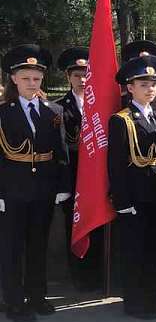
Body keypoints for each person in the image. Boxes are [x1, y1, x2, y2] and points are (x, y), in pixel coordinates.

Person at [0, 45, 71, 322]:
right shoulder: (3, 112)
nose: (32, 83)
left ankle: (37, 296)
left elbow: (61, 151)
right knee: (12, 247)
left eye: (37, 79)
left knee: (38, 244)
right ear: (14, 79)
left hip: (43, 188)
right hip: (12, 189)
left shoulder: (53, 110)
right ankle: (14, 301)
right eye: (26, 78)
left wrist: (62, 185)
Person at [108, 55, 156, 319]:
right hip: (134, 194)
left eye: (153, 84)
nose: (150, 89)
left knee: (151, 247)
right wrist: (122, 200)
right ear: (130, 88)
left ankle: (151, 295)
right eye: (143, 84)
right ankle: (134, 301)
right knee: (134, 249)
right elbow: (116, 164)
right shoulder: (121, 120)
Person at [55, 47, 103, 292]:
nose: (82, 80)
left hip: (97, 178)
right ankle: (79, 277)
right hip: (74, 178)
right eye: (76, 75)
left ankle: (98, 275)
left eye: (86, 75)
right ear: (68, 77)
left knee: (98, 225)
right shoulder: (58, 108)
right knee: (74, 228)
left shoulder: (103, 104)